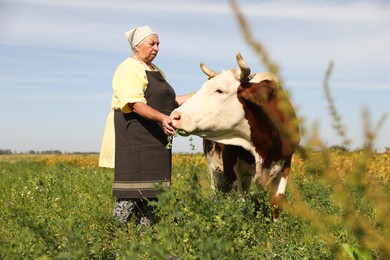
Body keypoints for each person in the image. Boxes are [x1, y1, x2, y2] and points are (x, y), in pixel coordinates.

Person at [99, 25, 192, 225]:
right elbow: (134, 103)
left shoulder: (156, 70)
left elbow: (172, 101)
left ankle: (144, 239)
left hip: (155, 137)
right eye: (152, 43)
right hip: (135, 135)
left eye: (158, 44)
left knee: (153, 192)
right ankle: (113, 236)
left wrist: (202, 93)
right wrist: (161, 118)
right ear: (137, 46)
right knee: (130, 192)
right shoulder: (128, 67)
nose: (156, 48)